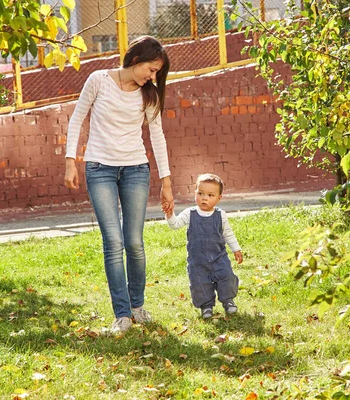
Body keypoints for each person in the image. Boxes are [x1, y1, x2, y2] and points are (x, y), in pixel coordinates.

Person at [64, 36, 174, 334]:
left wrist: (166, 183)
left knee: (134, 242)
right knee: (113, 242)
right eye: (150, 70)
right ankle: (122, 314)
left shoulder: (148, 95)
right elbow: (77, 119)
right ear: (136, 59)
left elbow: (158, 137)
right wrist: (70, 160)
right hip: (99, 169)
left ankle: (137, 306)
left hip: (136, 170)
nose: (152, 77)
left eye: (156, 73)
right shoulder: (99, 80)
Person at [164, 173, 243, 319]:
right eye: (200, 193)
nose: (204, 198)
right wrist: (169, 214)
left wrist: (236, 249)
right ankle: (206, 306)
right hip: (198, 259)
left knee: (226, 277)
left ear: (219, 198)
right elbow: (175, 225)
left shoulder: (221, 215)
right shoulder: (190, 213)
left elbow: (228, 234)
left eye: (210, 195)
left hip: (219, 256)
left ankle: (228, 301)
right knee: (200, 283)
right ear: (195, 193)